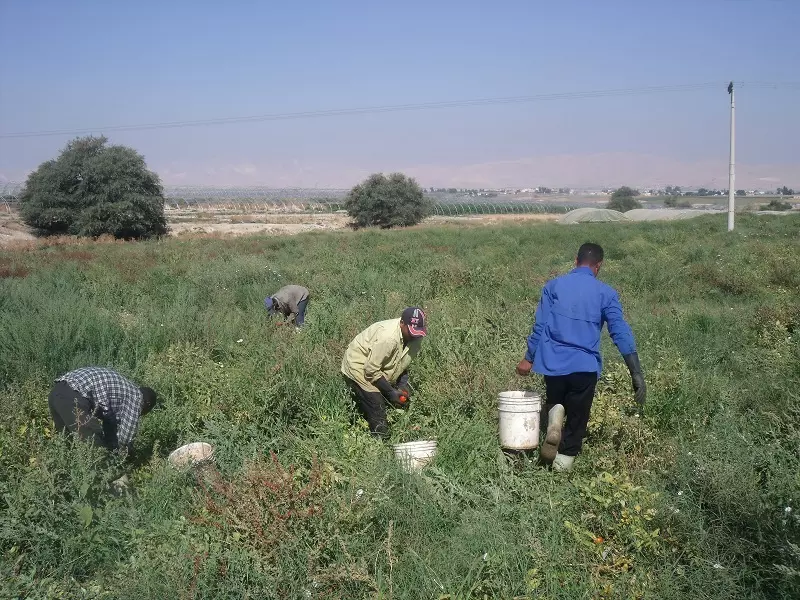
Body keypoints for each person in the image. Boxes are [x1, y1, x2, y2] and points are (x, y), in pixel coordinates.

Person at [516, 243, 646, 472]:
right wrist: (635, 371)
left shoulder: (554, 286)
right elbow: (619, 331)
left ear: (575, 262)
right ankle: (562, 464)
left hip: (552, 363)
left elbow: (540, 326)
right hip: (583, 367)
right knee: (578, 417)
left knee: (556, 398)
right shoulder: (606, 293)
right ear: (598, 266)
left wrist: (529, 358)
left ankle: (555, 414)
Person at [341, 307, 427, 437]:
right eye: (411, 332)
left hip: (378, 362)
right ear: (402, 323)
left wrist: (402, 384)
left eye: (418, 332)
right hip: (359, 363)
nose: (414, 336)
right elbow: (370, 369)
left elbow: (402, 361)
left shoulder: (416, 336)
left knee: (399, 396)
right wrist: (390, 391)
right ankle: (380, 442)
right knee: (376, 403)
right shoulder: (388, 338)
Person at [48, 367, 157, 454]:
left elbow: (110, 427)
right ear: (147, 404)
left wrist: (112, 446)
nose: (140, 414)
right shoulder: (137, 397)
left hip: (57, 392)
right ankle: (112, 480)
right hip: (73, 396)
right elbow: (126, 436)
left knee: (67, 445)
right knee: (96, 445)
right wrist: (126, 453)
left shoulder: (122, 393)